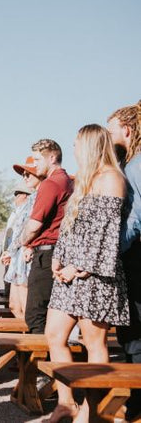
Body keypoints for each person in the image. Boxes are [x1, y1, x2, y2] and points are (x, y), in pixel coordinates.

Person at [45, 125, 129, 422]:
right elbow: (71, 228)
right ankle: (65, 402)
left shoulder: (112, 179)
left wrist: (78, 268)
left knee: (94, 343)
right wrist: (59, 258)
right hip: (68, 274)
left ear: (92, 145)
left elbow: (105, 236)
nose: (75, 150)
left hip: (95, 276)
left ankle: (92, 412)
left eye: (78, 144)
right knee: (54, 335)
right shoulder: (83, 180)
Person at [107, 101, 141, 421]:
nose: (109, 134)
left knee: (134, 333)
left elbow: (135, 219)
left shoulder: (134, 166)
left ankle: (136, 405)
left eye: (112, 129)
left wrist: (111, 248)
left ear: (127, 131)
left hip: (136, 257)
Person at [21, 139, 73, 334]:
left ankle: (41, 363)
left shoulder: (51, 183)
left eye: (37, 159)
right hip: (56, 250)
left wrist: (23, 242)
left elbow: (34, 225)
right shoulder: (67, 181)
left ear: (52, 158)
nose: (34, 165)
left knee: (36, 314)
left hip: (47, 253)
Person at [0, 157, 40, 319]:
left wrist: (28, 245)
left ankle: (31, 342)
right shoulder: (29, 201)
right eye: (23, 174)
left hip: (26, 254)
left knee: (26, 307)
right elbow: (16, 230)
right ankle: (24, 340)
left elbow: (35, 226)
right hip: (17, 255)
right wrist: (9, 251)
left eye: (28, 173)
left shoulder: (40, 197)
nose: (25, 177)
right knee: (15, 306)